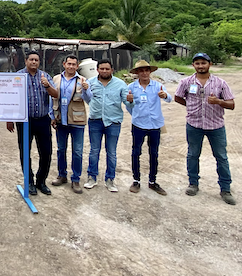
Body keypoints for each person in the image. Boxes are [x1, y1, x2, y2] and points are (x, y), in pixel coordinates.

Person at [175, 52, 236, 205]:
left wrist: (219, 102)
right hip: (194, 125)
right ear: (193, 65)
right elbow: (178, 97)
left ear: (210, 64)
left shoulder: (220, 83)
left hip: (216, 126)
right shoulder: (186, 82)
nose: (200, 66)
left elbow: (231, 104)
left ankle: (225, 189)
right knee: (193, 155)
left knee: (221, 157)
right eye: (197, 63)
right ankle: (193, 183)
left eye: (203, 63)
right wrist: (191, 107)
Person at [6, 50, 59, 196]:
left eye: (36, 60)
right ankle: (29, 181)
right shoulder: (18, 76)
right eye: (31, 59)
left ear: (39, 62)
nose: (34, 62)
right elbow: (10, 97)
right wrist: (9, 118)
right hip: (24, 121)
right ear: (26, 61)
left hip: (43, 120)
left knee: (46, 152)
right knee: (25, 151)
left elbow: (56, 94)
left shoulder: (45, 76)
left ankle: (41, 181)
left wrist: (47, 86)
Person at [84, 59, 133, 192]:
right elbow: (87, 99)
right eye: (102, 69)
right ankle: (92, 177)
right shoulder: (90, 83)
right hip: (95, 121)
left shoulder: (120, 84)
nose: (104, 71)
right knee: (94, 151)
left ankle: (110, 179)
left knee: (111, 152)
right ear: (97, 70)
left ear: (112, 70)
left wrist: (130, 101)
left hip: (113, 122)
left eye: (107, 69)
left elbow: (127, 102)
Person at [125, 59, 172, 195]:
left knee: (154, 153)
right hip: (138, 125)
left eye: (146, 70)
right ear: (137, 73)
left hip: (155, 125)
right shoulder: (131, 87)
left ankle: (152, 181)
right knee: (136, 152)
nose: (144, 73)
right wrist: (135, 112)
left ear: (150, 72)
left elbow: (169, 99)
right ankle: (136, 180)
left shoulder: (158, 86)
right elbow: (128, 106)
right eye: (141, 71)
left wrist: (165, 95)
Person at [50, 55, 92, 194]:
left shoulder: (83, 80)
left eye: (74, 64)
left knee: (77, 152)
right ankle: (62, 175)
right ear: (64, 64)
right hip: (60, 120)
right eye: (69, 64)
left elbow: (89, 99)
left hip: (77, 121)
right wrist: (52, 116)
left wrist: (86, 89)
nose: (71, 66)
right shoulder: (56, 79)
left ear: (77, 66)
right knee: (61, 150)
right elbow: (52, 97)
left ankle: (75, 179)